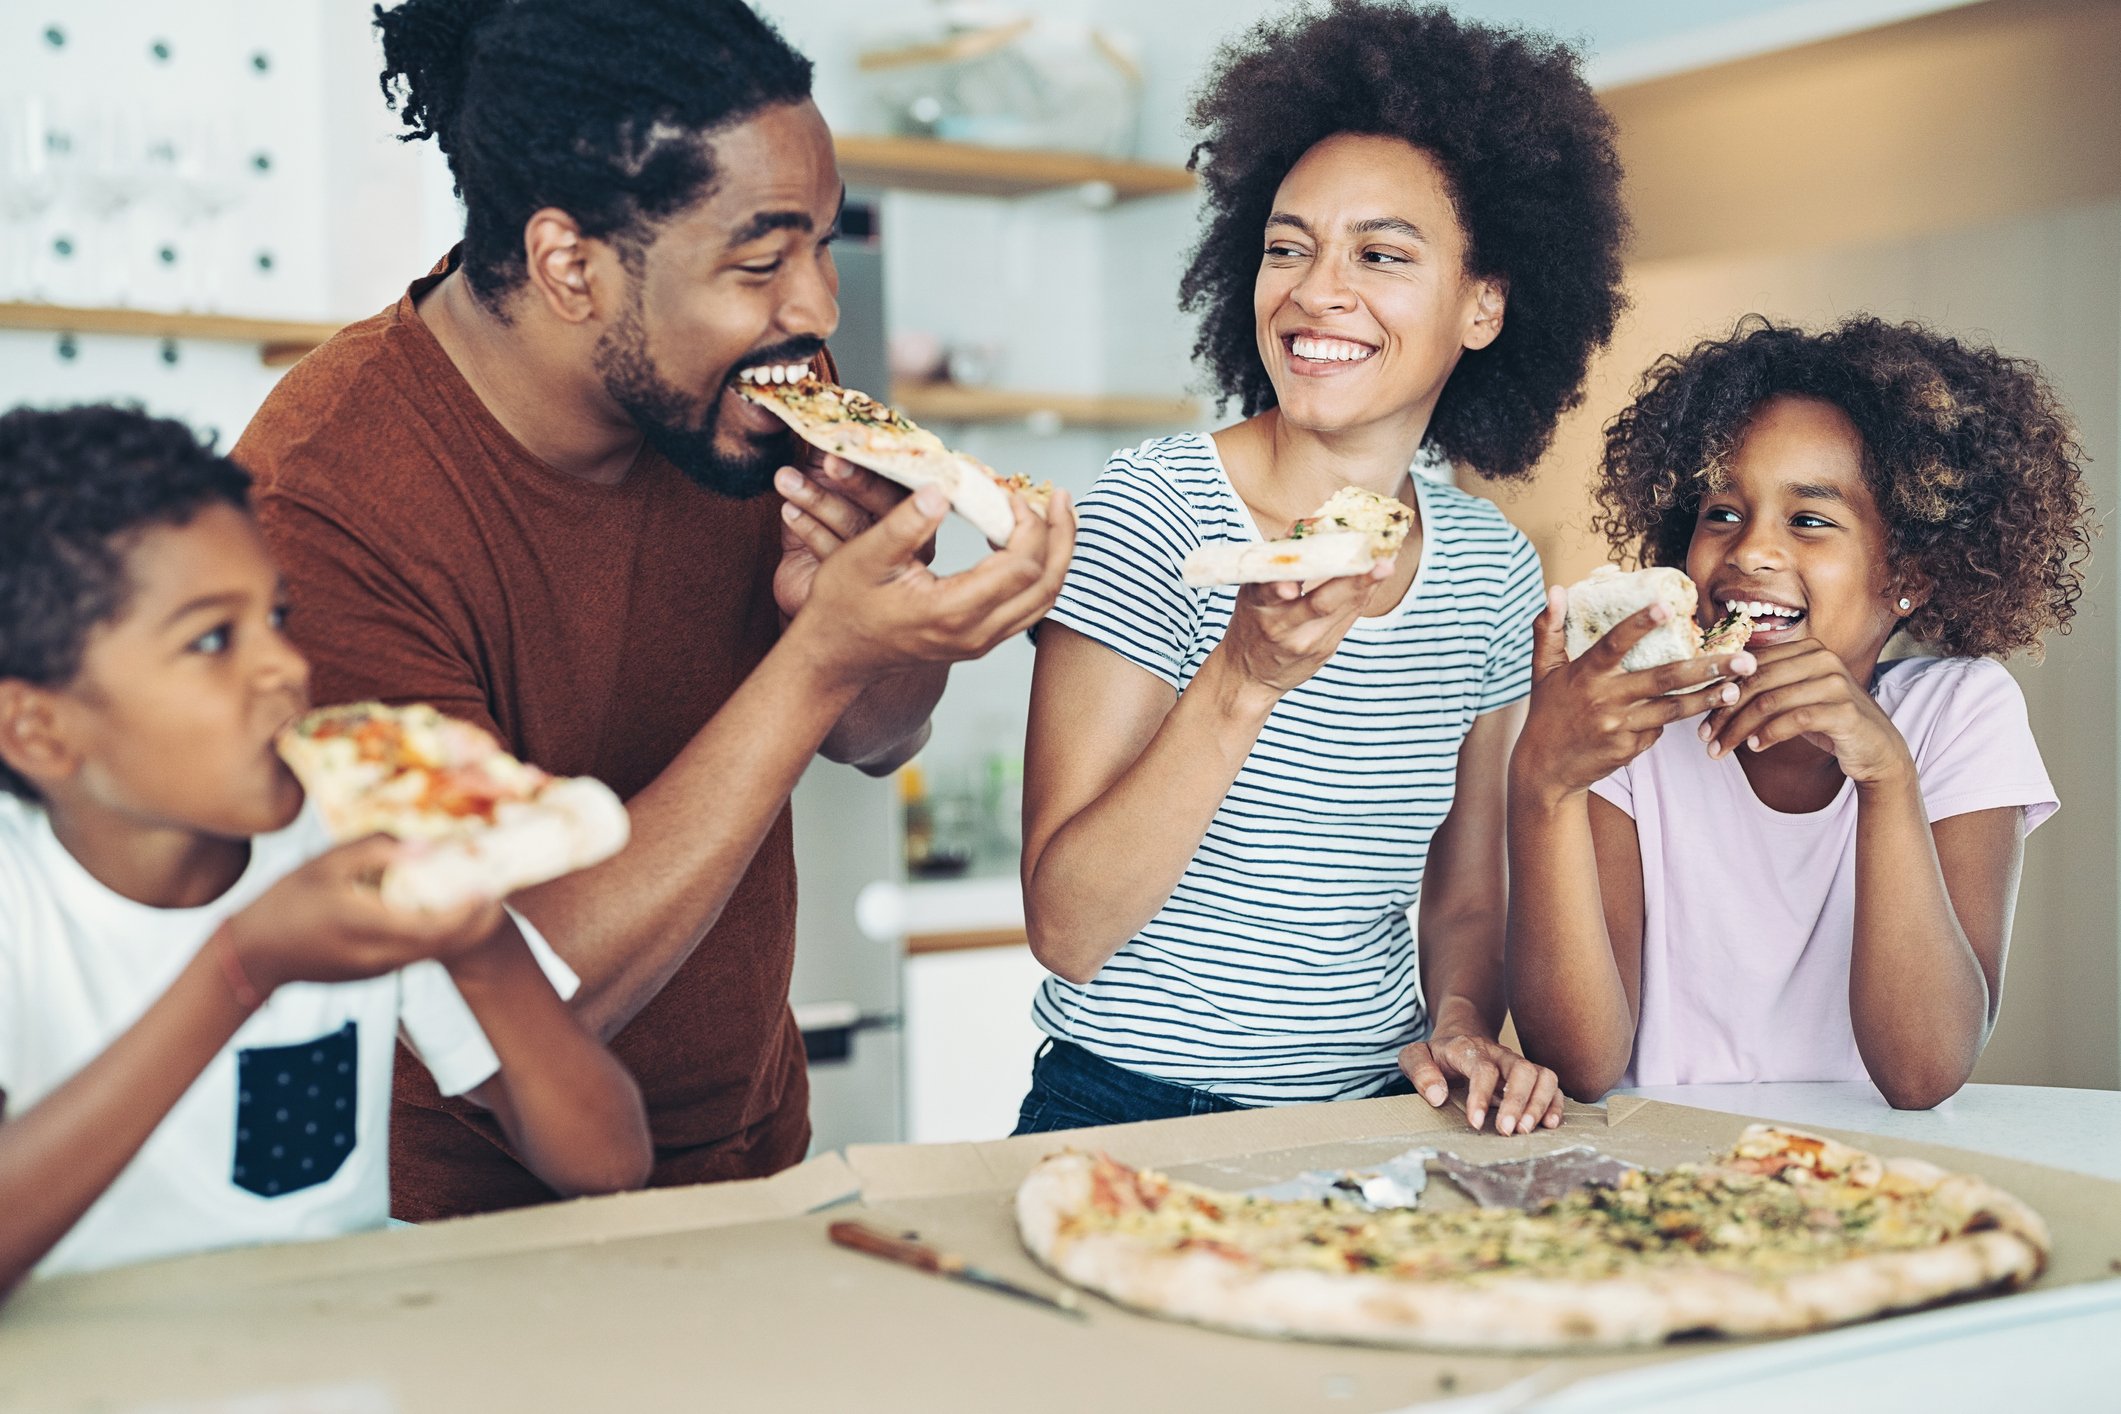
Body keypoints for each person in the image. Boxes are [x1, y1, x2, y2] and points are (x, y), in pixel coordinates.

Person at [235, 0, 1071, 1219]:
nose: (821, 309)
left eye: (826, 243)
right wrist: (819, 657)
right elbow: (514, 1011)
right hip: (449, 1229)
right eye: (763, 258)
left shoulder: (754, 393)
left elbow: (878, 736)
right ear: (573, 265)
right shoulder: (322, 504)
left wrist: (887, 602)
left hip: (756, 1161)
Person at [1016, 2, 1627, 1135]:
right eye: (1287, 246)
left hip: (1374, 1118)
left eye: (1381, 255)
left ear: (1484, 305)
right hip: (1125, 1109)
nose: (1313, 292)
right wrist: (1244, 675)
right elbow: (1067, 926)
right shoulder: (1152, 512)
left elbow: (1465, 893)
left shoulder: (1489, 569)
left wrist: (1457, 1022)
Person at [0, 406, 652, 1294]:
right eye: (211, 639)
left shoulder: (354, 839)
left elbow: (608, 1164)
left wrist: (475, 939)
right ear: (38, 729)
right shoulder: (19, 896)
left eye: (276, 616)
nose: (286, 668)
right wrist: (239, 970)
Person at [1506, 316, 2093, 1108]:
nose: (1749, 551)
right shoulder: (1635, 724)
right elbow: (1580, 1065)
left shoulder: (1960, 710)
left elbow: (1923, 1072)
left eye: (1809, 520)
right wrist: (1543, 783)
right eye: (1720, 512)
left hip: (1860, 1180)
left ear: (1909, 575)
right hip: (1659, 1176)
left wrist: (1885, 775)